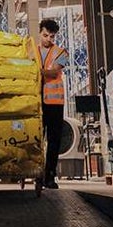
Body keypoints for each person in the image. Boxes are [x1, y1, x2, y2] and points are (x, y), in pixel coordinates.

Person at [36, 18, 70, 189]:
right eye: (45, 35)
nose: (48, 39)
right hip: (35, 103)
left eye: (51, 36)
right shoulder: (32, 51)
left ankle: (50, 175)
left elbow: (53, 72)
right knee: (37, 139)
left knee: (53, 140)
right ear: (40, 33)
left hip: (54, 103)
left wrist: (34, 71)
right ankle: (36, 173)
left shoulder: (61, 52)